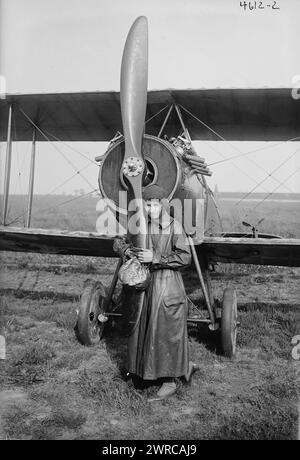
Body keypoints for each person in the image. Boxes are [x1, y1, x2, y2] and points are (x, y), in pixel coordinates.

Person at [115, 184, 198, 400]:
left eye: (153, 204)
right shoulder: (141, 226)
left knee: (165, 332)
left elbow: (185, 257)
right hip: (144, 286)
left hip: (168, 286)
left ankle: (169, 381)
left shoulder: (174, 226)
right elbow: (118, 242)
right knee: (143, 330)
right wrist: (127, 250)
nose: (150, 209)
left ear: (163, 204)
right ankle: (143, 373)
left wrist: (156, 258)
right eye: (147, 204)